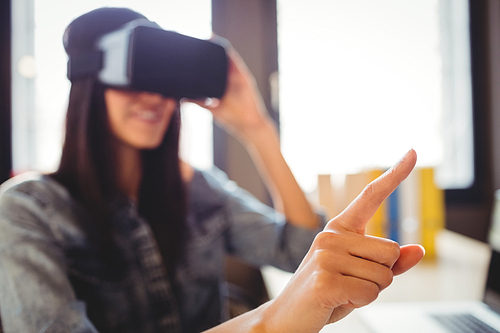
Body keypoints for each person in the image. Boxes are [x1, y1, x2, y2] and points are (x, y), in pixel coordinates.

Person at [0, 6, 424, 333]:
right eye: (135, 76)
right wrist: (268, 323)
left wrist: (259, 131)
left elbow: (299, 253)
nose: (154, 97)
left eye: (165, 80)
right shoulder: (26, 211)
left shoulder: (197, 188)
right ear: (93, 85)